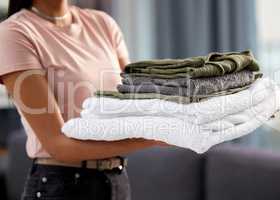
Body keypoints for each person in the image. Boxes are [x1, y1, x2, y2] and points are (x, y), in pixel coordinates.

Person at [0, 0, 166, 199]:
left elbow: (135, 100)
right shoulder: (13, 33)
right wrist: (147, 137)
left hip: (116, 181)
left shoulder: (102, 23)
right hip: (61, 186)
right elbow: (58, 145)